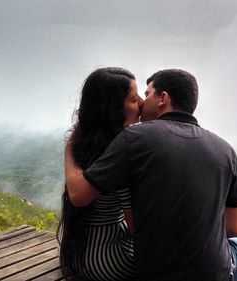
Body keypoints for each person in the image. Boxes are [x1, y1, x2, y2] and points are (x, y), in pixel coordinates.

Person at [66, 69, 237, 281]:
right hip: (214, 270)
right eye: (137, 97)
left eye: (147, 94)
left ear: (163, 98)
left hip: (149, 267)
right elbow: (234, 229)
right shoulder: (225, 150)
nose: (143, 102)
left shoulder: (133, 139)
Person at [57, 67, 143, 281]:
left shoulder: (83, 142)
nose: (141, 102)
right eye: (134, 99)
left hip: (75, 256)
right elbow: (134, 226)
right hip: (111, 261)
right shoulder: (120, 151)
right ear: (114, 109)